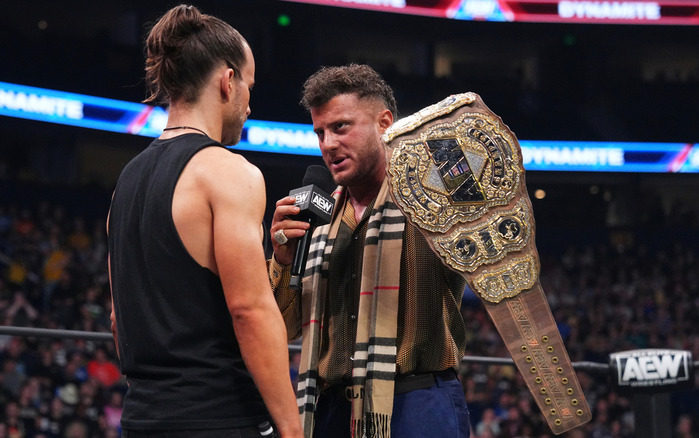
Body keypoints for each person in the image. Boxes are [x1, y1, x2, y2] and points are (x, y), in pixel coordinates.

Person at [107, 5, 301, 438]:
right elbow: (249, 309)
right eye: (250, 85)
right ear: (228, 82)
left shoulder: (127, 181)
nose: (250, 103)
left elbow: (120, 319)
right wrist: (292, 428)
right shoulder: (229, 172)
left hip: (141, 419)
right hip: (220, 416)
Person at [268, 64, 471, 438]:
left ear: (385, 123)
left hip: (417, 402)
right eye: (320, 132)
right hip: (329, 410)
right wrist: (283, 261)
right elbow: (283, 329)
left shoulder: (435, 198)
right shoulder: (317, 218)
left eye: (341, 126)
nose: (328, 143)